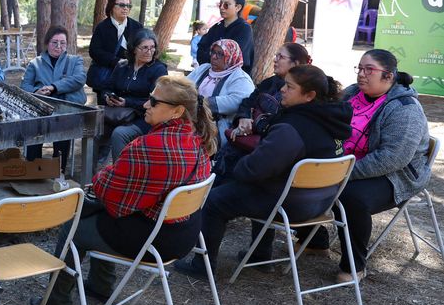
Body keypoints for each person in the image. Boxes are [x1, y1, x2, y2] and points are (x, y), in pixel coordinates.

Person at [37, 75, 218, 305]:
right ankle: (101, 286)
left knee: (75, 225)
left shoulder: (150, 146)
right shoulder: (196, 141)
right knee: (104, 210)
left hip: (157, 240)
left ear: (176, 111)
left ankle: (55, 304)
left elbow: (107, 190)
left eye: (154, 102)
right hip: (185, 234)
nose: (145, 105)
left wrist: (101, 177)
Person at [174, 65, 352, 278]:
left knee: (214, 200)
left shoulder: (293, 126)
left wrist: (239, 167)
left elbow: (253, 169)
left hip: (290, 204)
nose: (282, 90)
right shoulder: (332, 120)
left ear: (309, 96)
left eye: (289, 86)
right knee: (263, 184)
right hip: (320, 202)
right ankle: (260, 255)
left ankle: (202, 265)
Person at [330, 50, 431, 282]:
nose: (362, 75)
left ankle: (354, 267)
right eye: (360, 68)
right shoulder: (353, 93)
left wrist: (343, 173)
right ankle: (315, 242)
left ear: (388, 76)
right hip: (347, 162)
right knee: (302, 174)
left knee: (350, 198)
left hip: (397, 175)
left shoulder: (405, 109)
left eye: (369, 70)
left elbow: (392, 158)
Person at [213, 43, 313, 180]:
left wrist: (255, 125)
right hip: (245, 140)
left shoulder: (298, 94)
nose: (275, 59)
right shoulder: (270, 82)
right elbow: (248, 102)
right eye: (276, 55)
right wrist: (244, 118)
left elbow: (282, 122)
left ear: (295, 64)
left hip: (264, 151)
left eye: (281, 57)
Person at [21, 25, 86, 172]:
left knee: (63, 131)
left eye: (62, 43)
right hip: (41, 110)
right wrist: (37, 91)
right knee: (33, 131)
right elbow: (24, 86)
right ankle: (33, 171)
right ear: (47, 43)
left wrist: (54, 87)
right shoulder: (35, 63)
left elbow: (79, 79)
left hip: (65, 111)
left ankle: (58, 172)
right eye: (54, 42)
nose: (58, 46)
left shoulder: (75, 61)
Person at [102, 30, 169, 161]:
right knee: (93, 128)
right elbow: (106, 88)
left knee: (119, 134)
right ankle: (91, 174)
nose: (149, 51)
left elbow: (155, 101)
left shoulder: (158, 70)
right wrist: (108, 97)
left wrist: (127, 102)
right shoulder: (122, 66)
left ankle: (121, 173)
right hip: (118, 113)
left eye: (152, 47)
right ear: (134, 49)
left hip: (144, 117)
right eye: (144, 48)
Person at [187, 39, 254, 146]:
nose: (214, 57)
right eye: (213, 52)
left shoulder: (240, 78)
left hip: (216, 129)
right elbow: (184, 86)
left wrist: (202, 102)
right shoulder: (204, 68)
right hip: (191, 120)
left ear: (231, 56)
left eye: (220, 54)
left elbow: (237, 101)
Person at [87, 0, 144, 95]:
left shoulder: (137, 27)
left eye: (128, 5)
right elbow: (94, 51)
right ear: (112, 6)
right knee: (105, 110)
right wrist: (116, 61)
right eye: (122, 5)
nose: (126, 8)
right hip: (106, 80)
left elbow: (143, 48)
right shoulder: (102, 27)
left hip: (129, 79)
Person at [195, 0, 255, 74]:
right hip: (212, 75)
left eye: (226, 5)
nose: (222, 7)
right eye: (220, 4)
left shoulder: (244, 29)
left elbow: (233, 58)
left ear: (238, 7)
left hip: (233, 79)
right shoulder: (216, 27)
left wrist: (212, 56)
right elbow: (201, 51)